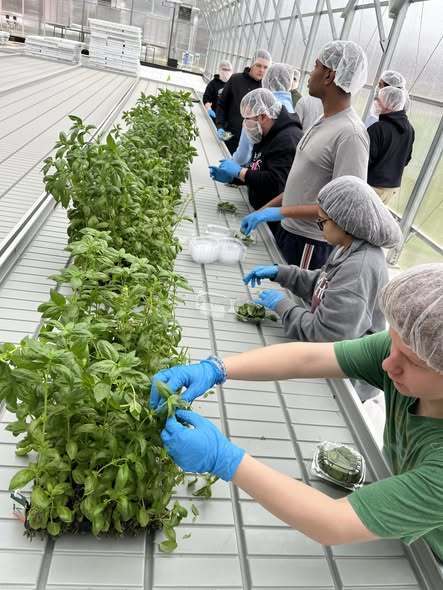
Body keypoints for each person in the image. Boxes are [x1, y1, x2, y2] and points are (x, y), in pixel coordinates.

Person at [151, 263, 443, 557]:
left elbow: (333, 523)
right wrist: (217, 368)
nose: (387, 364)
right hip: (407, 509)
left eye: (412, 362)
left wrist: (224, 459)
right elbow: (310, 359)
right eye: (391, 343)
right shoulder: (411, 349)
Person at [240, 40, 369, 271]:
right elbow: (299, 185)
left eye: (316, 66)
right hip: (289, 231)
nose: (310, 73)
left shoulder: (350, 134)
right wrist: (264, 211)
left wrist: (277, 212)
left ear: (329, 75)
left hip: (309, 243)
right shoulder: (322, 120)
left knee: (291, 299)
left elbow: (344, 209)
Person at [209, 89, 302, 216]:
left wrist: (240, 172)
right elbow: (258, 168)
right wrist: (234, 178)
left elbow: (275, 183)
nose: (245, 124)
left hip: (269, 217)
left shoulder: (287, 139)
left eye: (247, 118)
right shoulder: (264, 131)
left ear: (263, 116)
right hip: (258, 209)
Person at [232, 62, 296, 166]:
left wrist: (232, 165)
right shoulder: (292, 110)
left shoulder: (261, 105)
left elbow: (243, 155)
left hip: (255, 171)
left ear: (267, 80)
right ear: (289, 82)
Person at [216, 49, 271, 154]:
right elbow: (222, 104)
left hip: (250, 144)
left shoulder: (266, 89)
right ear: (252, 64)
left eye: (265, 67)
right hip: (228, 136)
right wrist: (220, 126)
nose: (262, 70)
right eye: (258, 65)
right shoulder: (236, 80)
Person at [367, 86, 415, 205]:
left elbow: (364, 161)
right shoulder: (410, 129)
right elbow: (406, 160)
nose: (375, 103)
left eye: (378, 100)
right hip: (391, 189)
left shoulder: (378, 129)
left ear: (389, 104)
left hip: (372, 187)